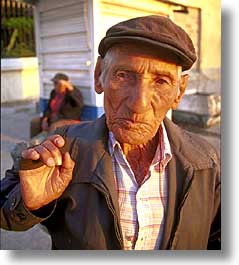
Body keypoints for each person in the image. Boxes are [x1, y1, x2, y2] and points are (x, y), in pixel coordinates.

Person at [0, 15, 220, 250]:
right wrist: (29, 204)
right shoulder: (63, 147)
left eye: (161, 81)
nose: (139, 103)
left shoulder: (205, 162)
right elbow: (6, 207)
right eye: (123, 75)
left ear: (179, 91)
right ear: (99, 76)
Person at [30, 73, 83, 138]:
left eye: (56, 83)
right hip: (53, 118)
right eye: (54, 83)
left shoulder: (73, 93)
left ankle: (50, 146)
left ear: (64, 84)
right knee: (35, 122)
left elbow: (79, 104)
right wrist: (45, 118)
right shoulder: (54, 93)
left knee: (54, 126)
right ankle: (32, 145)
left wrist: (70, 89)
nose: (54, 85)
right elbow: (48, 108)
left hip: (68, 119)